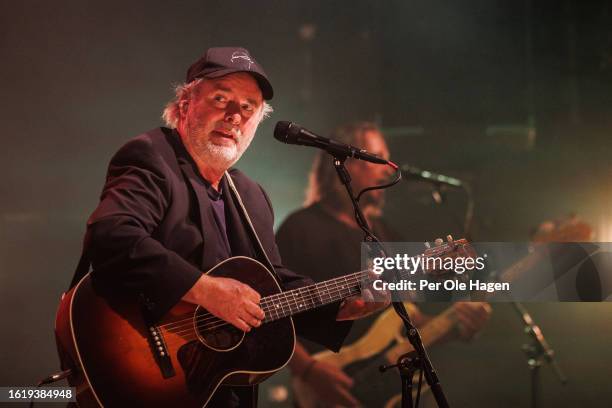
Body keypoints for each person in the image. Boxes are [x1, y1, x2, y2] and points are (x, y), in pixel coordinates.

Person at [71, 48, 389, 407]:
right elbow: (112, 235)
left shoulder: (251, 195)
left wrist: (341, 306)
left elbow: (272, 284)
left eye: (248, 107)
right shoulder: (151, 156)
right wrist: (205, 291)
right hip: (147, 368)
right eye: (221, 99)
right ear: (185, 104)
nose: (235, 116)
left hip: (221, 389)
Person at [276, 121, 492, 407]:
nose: (387, 168)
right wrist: (308, 370)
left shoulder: (384, 234)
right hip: (321, 383)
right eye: (374, 158)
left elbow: (405, 318)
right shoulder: (300, 227)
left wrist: (454, 325)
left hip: (379, 387)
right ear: (345, 164)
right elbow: (272, 310)